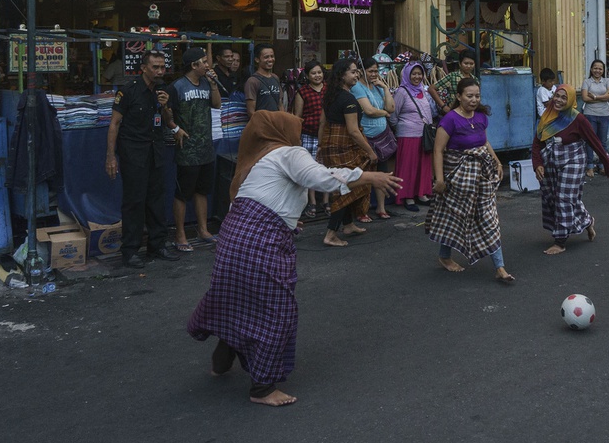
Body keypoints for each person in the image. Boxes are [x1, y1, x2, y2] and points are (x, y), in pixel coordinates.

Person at [185, 111, 402, 408]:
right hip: (259, 242)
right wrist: (368, 176)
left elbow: (260, 199)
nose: (299, 132)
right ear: (283, 131)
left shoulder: (259, 159)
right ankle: (262, 388)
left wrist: (287, 221)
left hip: (234, 238)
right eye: (296, 127)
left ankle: (220, 362)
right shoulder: (289, 152)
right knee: (277, 309)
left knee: (235, 298)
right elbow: (319, 177)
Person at [429, 78, 515, 283]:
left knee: (489, 218)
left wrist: (496, 160)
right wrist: (440, 180)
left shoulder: (480, 117)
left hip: (480, 177)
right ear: (458, 96)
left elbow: (483, 141)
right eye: (469, 96)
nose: (474, 99)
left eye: (477, 95)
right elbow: (438, 151)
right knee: (454, 218)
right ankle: (445, 257)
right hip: (456, 179)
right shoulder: (449, 119)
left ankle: (500, 267)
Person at [106, 51, 181, 268]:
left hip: (155, 152)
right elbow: (114, 123)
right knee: (134, 202)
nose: (160, 71)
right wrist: (110, 156)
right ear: (144, 68)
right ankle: (130, 251)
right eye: (155, 67)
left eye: (162, 67)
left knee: (156, 200)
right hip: (133, 153)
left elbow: (168, 121)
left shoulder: (163, 90)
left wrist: (166, 106)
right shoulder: (128, 91)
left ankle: (157, 245)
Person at [532, 85, 609, 255]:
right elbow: (537, 143)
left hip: (574, 160)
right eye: (557, 96)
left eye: (564, 97)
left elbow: (594, 141)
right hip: (552, 159)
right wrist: (537, 164)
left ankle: (560, 242)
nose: (559, 100)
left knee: (564, 197)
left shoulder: (578, 119)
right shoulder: (547, 115)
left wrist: (607, 164)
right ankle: (587, 221)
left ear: (570, 100)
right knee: (555, 197)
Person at [167, 47, 222, 251]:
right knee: (183, 192)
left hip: (206, 146)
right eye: (204, 62)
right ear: (194, 65)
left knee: (202, 190)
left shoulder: (207, 83)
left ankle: (203, 229)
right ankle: (180, 234)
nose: (208, 66)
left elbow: (216, 105)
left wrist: (214, 84)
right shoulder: (177, 87)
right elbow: (166, 112)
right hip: (187, 149)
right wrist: (175, 129)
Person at [318, 58, 377, 246]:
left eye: (357, 71)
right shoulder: (348, 98)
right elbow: (353, 131)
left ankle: (348, 224)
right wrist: (370, 151)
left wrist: (321, 146)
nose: (357, 74)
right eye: (352, 72)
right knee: (348, 186)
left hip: (330, 144)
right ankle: (331, 234)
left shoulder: (330, 95)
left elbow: (322, 123)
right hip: (344, 146)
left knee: (346, 184)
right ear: (342, 75)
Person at [352, 56, 395, 220]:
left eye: (376, 71)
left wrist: (384, 88)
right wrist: (384, 113)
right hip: (367, 137)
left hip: (382, 137)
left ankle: (381, 208)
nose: (374, 74)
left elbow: (392, 107)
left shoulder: (377, 86)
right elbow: (369, 110)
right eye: (371, 71)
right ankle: (361, 210)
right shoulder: (357, 87)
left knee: (382, 173)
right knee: (365, 174)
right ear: (362, 71)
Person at [390, 61, 435, 213]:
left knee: (423, 165)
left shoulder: (423, 89)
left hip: (424, 135)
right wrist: (402, 128)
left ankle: (422, 194)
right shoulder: (401, 92)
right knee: (408, 167)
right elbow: (393, 115)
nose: (417, 77)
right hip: (407, 135)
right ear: (407, 75)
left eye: (419, 73)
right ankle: (408, 196)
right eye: (413, 74)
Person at [289, 61, 326, 218]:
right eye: (313, 73)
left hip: (326, 135)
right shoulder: (302, 92)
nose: (317, 75)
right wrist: (296, 138)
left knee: (326, 169)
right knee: (310, 169)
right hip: (308, 135)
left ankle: (326, 201)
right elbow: (298, 117)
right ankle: (312, 202)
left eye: (319, 72)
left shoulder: (329, 90)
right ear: (307, 75)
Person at [580, 59, 609, 177]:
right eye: (595, 68)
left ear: (603, 70)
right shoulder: (587, 82)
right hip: (590, 114)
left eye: (600, 68)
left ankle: (603, 165)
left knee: (603, 142)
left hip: (604, 114)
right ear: (591, 69)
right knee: (590, 141)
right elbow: (585, 98)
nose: (597, 70)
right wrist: (603, 97)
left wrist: (595, 96)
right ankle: (590, 166)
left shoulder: (607, 81)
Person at [244, 44, 283, 115]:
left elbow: (280, 104)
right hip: (262, 124)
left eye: (272, 56)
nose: (270, 59)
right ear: (257, 59)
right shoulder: (253, 81)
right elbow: (251, 112)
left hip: (276, 124)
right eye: (266, 57)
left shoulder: (275, 78)